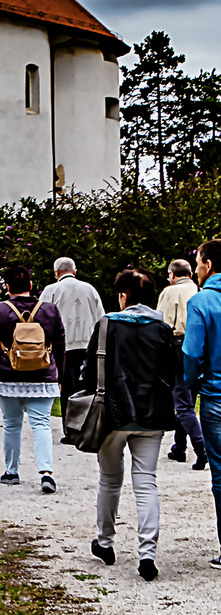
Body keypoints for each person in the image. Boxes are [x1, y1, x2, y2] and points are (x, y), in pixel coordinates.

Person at [80, 269, 180, 582]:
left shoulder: (107, 324)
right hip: (152, 414)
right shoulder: (161, 328)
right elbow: (173, 373)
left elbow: (89, 369)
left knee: (110, 480)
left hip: (113, 412)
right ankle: (147, 553)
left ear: (124, 295)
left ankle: (106, 542)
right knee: (146, 482)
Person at [0, 264, 68, 493]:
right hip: (43, 375)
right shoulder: (50, 309)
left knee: (11, 424)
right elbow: (60, 344)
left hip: (8, 374)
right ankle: (46, 472)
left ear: (8, 287)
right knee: (41, 424)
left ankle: (11, 471)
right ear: (31, 286)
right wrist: (61, 375)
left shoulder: (0, 310)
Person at [185, 239, 221, 570]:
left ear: (208, 265)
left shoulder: (203, 302)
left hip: (217, 395)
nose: (196, 269)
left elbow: (193, 353)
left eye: (197, 262)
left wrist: (187, 384)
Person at [160, 257, 206, 470]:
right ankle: (179, 447)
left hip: (176, 346)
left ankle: (200, 448)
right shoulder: (199, 291)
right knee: (189, 396)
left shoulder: (169, 292)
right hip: (198, 347)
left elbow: (160, 323)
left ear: (172, 274)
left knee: (182, 401)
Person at [43, 256, 107, 410]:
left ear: (56, 273)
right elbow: (102, 318)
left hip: (63, 347)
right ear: (75, 272)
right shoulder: (90, 289)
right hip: (88, 346)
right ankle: (86, 426)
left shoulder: (51, 290)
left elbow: (42, 318)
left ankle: (69, 427)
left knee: (67, 390)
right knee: (87, 389)